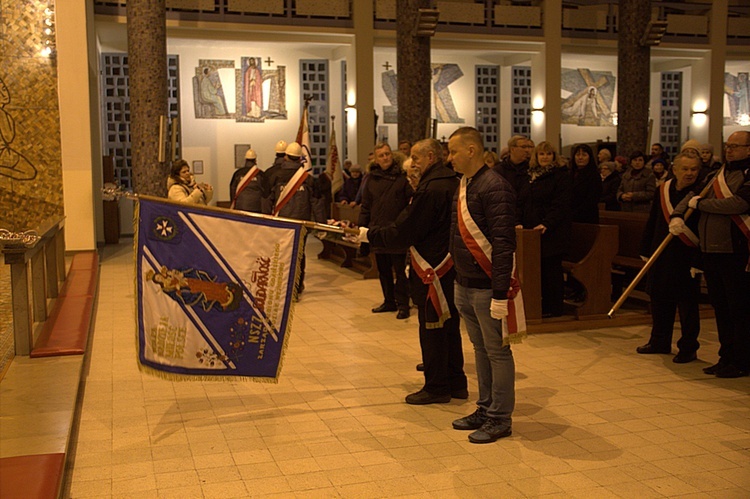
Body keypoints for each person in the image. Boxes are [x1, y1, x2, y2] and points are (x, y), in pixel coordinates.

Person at [358, 138, 467, 404]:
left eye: (416, 159)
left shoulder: (431, 188)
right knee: (449, 326)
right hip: (449, 266)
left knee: (431, 328)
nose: (413, 163)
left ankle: (437, 387)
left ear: (430, 157)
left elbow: (407, 229)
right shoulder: (452, 181)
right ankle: (456, 382)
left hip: (432, 268)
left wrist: (367, 235)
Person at [448, 127, 521, 444]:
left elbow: (504, 244)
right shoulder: (466, 184)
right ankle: (484, 408)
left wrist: (500, 294)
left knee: (497, 352)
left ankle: (500, 418)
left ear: (471, 150)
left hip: (486, 286)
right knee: (479, 351)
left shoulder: (495, 187)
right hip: (464, 283)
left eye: (452, 151)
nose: (449, 157)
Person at [670, 131, 750, 378]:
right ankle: (726, 357)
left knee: (739, 309)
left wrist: (700, 205)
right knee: (721, 308)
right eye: (728, 145)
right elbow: (692, 196)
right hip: (710, 250)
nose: (730, 150)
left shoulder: (747, 175)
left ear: (749, 149)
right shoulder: (718, 173)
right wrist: (677, 214)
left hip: (735, 250)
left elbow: (739, 204)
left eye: (736, 146)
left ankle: (742, 361)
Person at [637, 152, 702, 363]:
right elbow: (653, 219)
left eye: (694, 169)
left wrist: (699, 261)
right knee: (659, 298)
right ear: (674, 169)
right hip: (662, 252)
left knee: (687, 304)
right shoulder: (663, 189)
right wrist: (645, 249)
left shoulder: (701, 193)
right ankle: (659, 341)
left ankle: (688, 347)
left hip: (687, 253)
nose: (690, 173)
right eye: (685, 169)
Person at [516, 141, 572, 318]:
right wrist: (518, 221)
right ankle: (537, 304)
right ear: (536, 156)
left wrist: (547, 223)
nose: (545, 157)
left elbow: (561, 204)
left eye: (548, 154)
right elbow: (522, 202)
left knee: (551, 270)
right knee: (536, 269)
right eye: (541, 154)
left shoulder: (560, 176)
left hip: (551, 231)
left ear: (554, 156)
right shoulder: (530, 176)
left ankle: (554, 307)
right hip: (530, 232)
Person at [358, 142, 412, 319]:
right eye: (381, 155)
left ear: (392, 155)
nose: (385, 158)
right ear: (376, 159)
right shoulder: (372, 179)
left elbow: (408, 204)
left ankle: (403, 304)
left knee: (400, 271)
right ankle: (389, 301)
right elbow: (366, 206)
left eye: (388, 154)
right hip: (377, 231)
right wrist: (363, 229)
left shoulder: (402, 177)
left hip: (397, 231)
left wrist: (402, 225)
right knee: (383, 270)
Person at [265, 142, 326, 297]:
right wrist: (321, 225)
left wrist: (266, 220)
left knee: (281, 254)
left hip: (280, 222)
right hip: (301, 222)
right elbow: (317, 202)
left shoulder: (275, 176)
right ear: (300, 159)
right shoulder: (308, 179)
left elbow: (267, 200)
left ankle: (281, 287)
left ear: (285, 157)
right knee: (299, 254)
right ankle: (297, 288)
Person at [570, 144, 603, 224]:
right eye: (578, 154)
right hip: (569, 217)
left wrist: (574, 213)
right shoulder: (570, 174)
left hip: (587, 217)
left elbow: (592, 200)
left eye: (584, 155)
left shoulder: (594, 175)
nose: (580, 157)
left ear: (590, 157)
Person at [229, 149, 264, 213]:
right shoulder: (260, 174)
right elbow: (265, 192)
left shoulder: (238, 173)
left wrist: (234, 205)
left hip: (240, 207)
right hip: (256, 207)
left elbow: (232, 190)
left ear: (245, 160)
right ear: (255, 160)